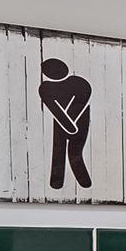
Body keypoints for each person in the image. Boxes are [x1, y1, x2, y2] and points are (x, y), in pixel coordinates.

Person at [37, 57, 93, 191]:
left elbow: (80, 102)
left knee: (74, 152)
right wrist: (68, 125)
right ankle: (57, 183)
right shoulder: (46, 88)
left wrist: (70, 125)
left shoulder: (78, 82)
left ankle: (83, 182)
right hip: (64, 122)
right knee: (60, 151)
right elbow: (55, 109)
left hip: (78, 119)